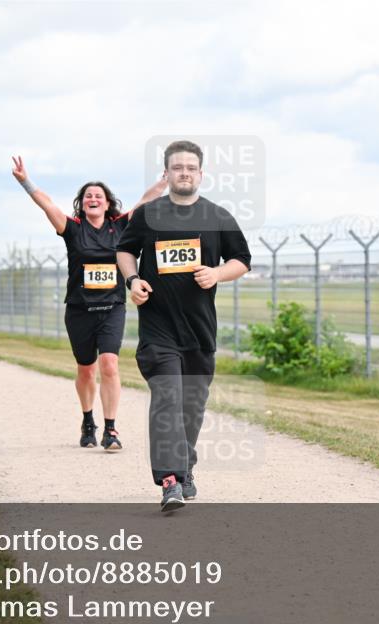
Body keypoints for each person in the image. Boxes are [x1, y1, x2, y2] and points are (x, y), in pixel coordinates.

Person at [116, 140, 252, 512]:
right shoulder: (147, 215)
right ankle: (170, 480)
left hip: (200, 331)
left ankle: (185, 466)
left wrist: (218, 273)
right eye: (177, 168)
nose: (184, 173)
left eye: (191, 168)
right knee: (167, 399)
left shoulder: (217, 216)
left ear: (201, 173)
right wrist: (132, 282)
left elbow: (242, 259)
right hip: (158, 329)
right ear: (166, 173)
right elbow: (125, 250)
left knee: (191, 405)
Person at [12, 156, 166, 450]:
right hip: (79, 310)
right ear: (82, 204)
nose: (93, 199)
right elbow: (46, 204)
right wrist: (25, 181)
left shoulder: (121, 227)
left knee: (109, 365)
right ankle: (87, 420)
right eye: (87, 196)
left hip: (112, 308)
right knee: (86, 369)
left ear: (108, 203)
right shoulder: (72, 228)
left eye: (98, 196)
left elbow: (146, 201)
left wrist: (165, 181)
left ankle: (111, 429)